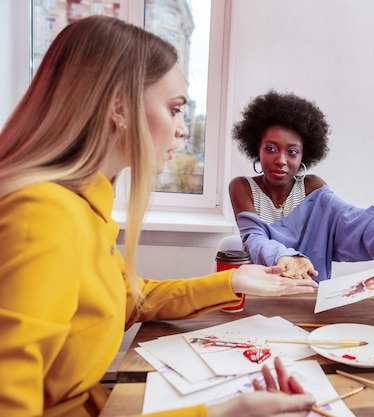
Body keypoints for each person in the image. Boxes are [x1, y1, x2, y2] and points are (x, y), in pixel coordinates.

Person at [0, 16, 318, 417]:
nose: (183, 130)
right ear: (119, 106)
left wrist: (234, 279)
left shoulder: (81, 207)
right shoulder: (44, 215)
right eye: (175, 110)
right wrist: (222, 414)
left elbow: (131, 299)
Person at [229, 91, 374, 282]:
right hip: (259, 296)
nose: (281, 160)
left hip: (309, 298)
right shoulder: (242, 187)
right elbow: (255, 240)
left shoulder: (313, 189)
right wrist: (286, 258)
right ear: (256, 148)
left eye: (292, 152)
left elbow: (362, 225)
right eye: (270, 149)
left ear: (305, 154)